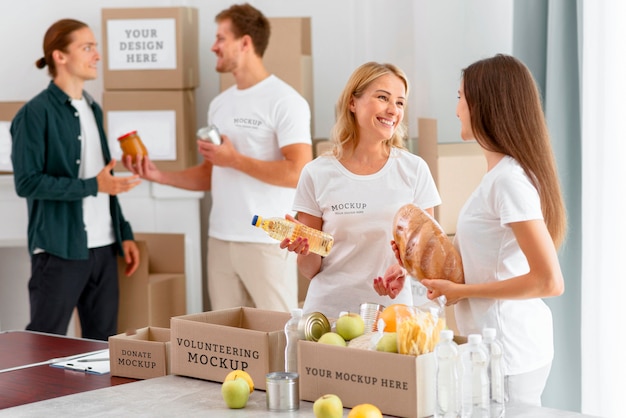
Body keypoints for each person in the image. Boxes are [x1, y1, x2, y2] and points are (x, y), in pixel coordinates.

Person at [378, 54, 567, 406]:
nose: (457, 110)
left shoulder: (508, 181)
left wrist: (463, 291)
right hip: (494, 344)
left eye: (460, 98)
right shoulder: (499, 176)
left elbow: (549, 281)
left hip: (510, 350)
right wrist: (414, 262)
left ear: (484, 104)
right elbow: (486, 256)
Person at [125, 3, 312, 312]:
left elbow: (298, 171)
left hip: (267, 242)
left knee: (278, 337)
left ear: (246, 42)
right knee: (225, 342)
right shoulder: (219, 105)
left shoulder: (286, 101)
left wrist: (234, 160)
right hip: (221, 240)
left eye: (221, 38)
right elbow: (210, 174)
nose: (214, 46)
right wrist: (159, 176)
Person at [11, 19, 141, 341]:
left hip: (104, 248)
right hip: (59, 250)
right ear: (60, 56)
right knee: (44, 342)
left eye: (95, 47)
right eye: (87, 47)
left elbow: (104, 176)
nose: (97, 55)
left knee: (102, 345)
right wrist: (92, 187)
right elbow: (27, 183)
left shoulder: (93, 109)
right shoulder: (34, 114)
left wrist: (123, 232)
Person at [280, 62, 441, 318]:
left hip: (391, 317)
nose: (393, 110)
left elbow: (427, 255)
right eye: (382, 98)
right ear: (352, 103)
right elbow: (310, 270)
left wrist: (404, 271)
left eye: (400, 103)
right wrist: (305, 248)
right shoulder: (317, 173)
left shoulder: (413, 170)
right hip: (328, 317)